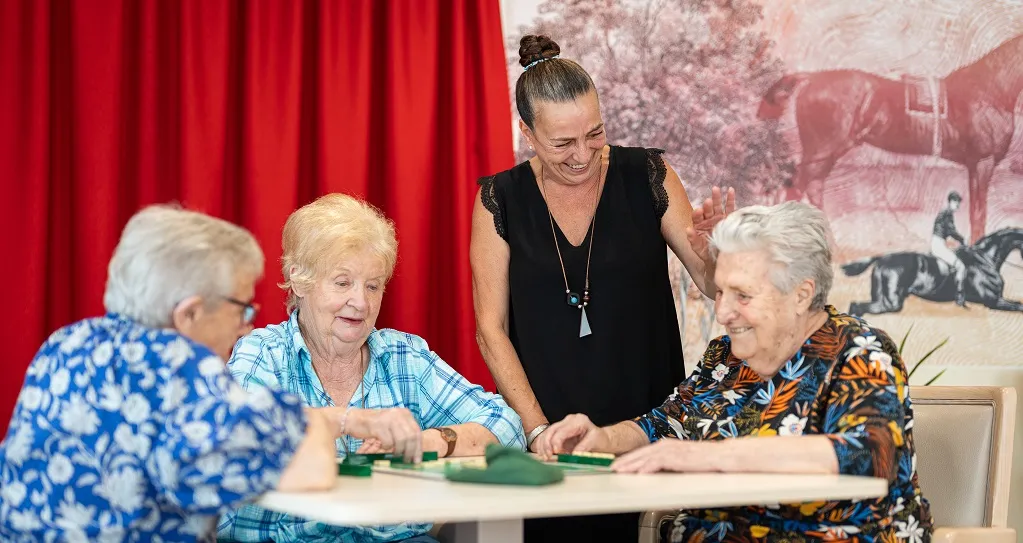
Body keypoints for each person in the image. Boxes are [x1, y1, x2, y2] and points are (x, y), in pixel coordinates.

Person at [537, 201, 934, 542]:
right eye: (722, 292)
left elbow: (869, 453)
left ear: (801, 294)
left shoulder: (858, 352)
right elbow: (662, 427)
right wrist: (601, 438)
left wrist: (709, 457)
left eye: (742, 295)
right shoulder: (725, 358)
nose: (723, 312)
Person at [470, 34, 734, 541]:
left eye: (595, 134)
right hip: (550, 437)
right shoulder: (498, 200)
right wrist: (538, 431)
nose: (583, 155)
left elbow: (708, 281)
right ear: (527, 133)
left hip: (648, 427)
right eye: (562, 143)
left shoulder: (648, 174)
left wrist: (717, 252)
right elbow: (490, 329)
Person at [0, 205, 384, 541]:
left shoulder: (65, 342)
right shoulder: (182, 370)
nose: (245, 327)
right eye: (240, 308)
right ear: (190, 314)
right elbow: (313, 470)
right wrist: (330, 423)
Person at [217, 193, 524, 543]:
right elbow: (238, 439)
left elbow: (506, 425)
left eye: (373, 286)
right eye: (343, 282)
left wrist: (430, 441)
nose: (361, 302)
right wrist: (344, 423)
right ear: (299, 280)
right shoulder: (264, 353)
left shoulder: (402, 355)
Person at [931, 190, 968, 307]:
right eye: (956, 202)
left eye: (958, 202)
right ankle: (959, 297)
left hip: (940, 243)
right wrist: (962, 240)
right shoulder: (947, 213)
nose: (958, 205)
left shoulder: (946, 213)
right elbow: (951, 231)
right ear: (951, 201)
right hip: (938, 245)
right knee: (961, 266)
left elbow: (948, 232)